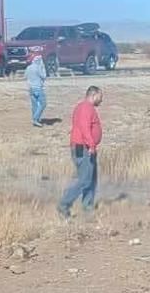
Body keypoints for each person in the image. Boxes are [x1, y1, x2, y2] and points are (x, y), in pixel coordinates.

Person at [57, 86, 104, 219]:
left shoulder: (87, 108)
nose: (101, 100)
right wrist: (91, 145)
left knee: (91, 179)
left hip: (87, 147)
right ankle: (64, 204)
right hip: (83, 148)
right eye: (100, 97)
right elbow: (84, 128)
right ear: (93, 95)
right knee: (84, 180)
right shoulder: (85, 108)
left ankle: (87, 208)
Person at [24, 54, 47, 127]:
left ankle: (36, 119)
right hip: (38, 88)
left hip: (31, 88)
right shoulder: (38, 68)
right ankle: (35, 119)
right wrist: (43, 67)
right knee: (43, 104)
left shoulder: (28, 67)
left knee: (34, 105)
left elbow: (25, 76)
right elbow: (44, 76)